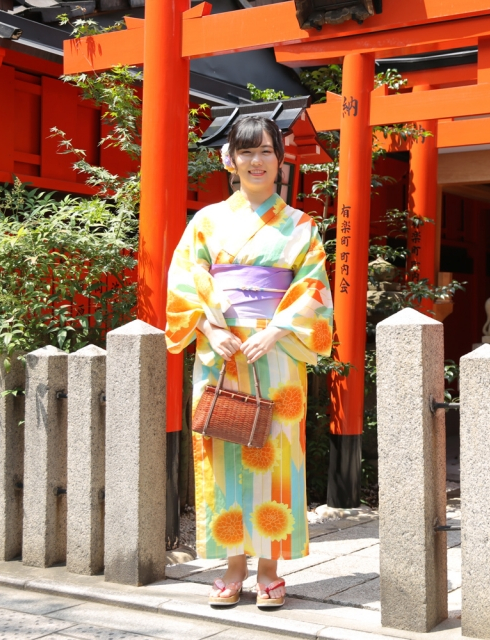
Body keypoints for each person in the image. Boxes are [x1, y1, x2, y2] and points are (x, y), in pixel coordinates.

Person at [165, 116, 333, 609]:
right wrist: (211, 329)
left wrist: (278, 330)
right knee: (222, 453)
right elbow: (183, 279)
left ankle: (268, 568)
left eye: (265, 151)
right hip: (220, 353)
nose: (256, 161)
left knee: (276, 456)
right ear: (229, 160)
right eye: (246, 152)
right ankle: (232, 566)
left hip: (277, 354)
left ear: (281, 159)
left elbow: (313, 288)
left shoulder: (300, 225)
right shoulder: (208, 221)